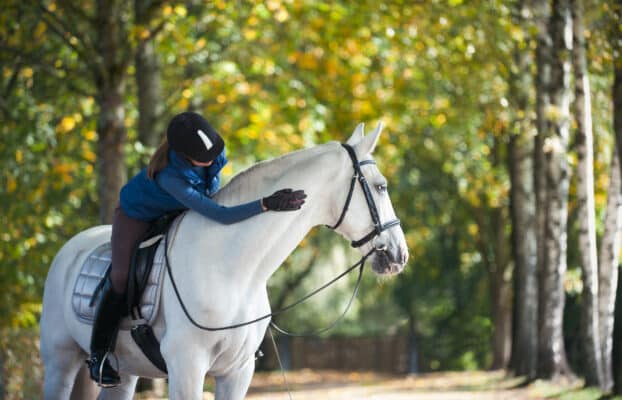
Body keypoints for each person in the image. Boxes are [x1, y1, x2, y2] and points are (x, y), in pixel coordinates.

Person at [87, 111, 307, 387]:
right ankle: (99, 355)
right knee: (120, 277)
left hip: (179, 212)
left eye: (214, 152)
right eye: (206, 157)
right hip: (137, 217)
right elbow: (221, 214)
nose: (213, 160)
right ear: (185, 156)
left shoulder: (211, 154)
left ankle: (240, 341)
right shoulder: (170, 178)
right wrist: (264, 204)